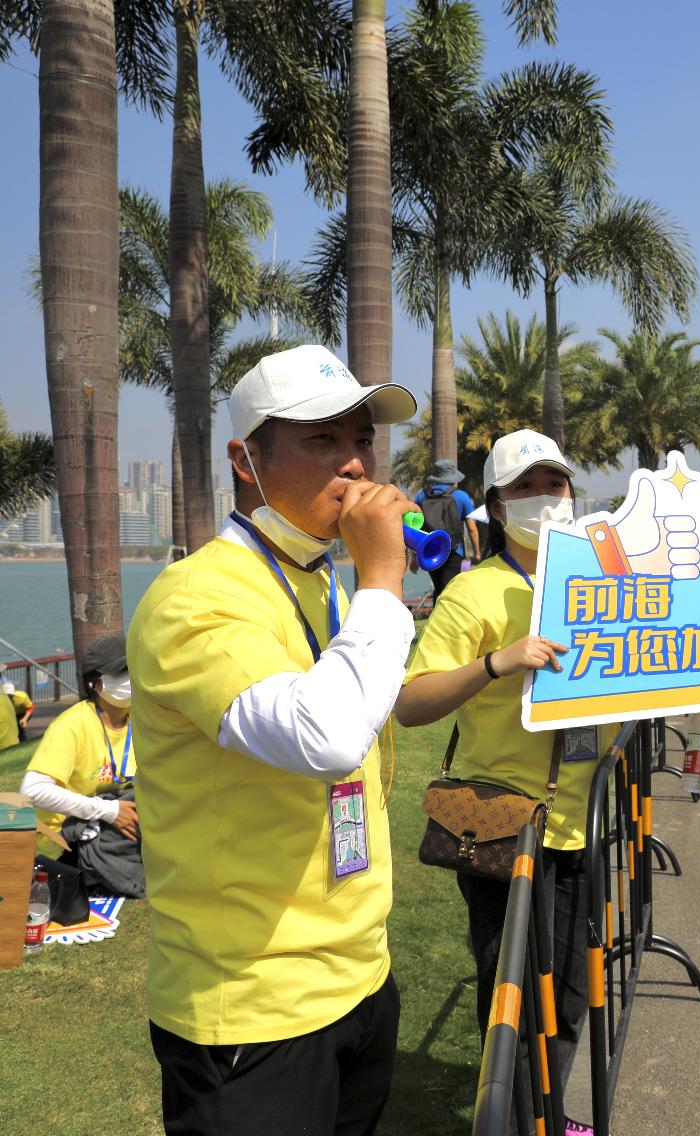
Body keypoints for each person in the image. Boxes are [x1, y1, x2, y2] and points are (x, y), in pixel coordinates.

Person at [128, 344, 418, 1134]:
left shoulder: (320, 577)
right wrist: (385, 582)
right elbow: (324, 739)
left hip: (360, 974)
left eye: (362, 439)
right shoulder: (196, 598)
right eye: (321, 441)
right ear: (246, 459)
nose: (355, 465)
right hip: (251, 1006)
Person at [397, 430, 602, 1122]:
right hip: (505, 828)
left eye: (556, 484)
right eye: (526, 488)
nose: (546, 499)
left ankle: (551, 1105)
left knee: (572, 987)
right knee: (510, 991)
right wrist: (496, 663)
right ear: (494, 503)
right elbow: (411, 701)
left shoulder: (608, 583)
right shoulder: (473, 594)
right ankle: (511, 1117)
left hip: (585, 820)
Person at [21, 635, 139, 863]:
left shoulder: (142, 718)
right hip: (63, 841)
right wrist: (108, 811)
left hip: (119, 826)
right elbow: (32, 790)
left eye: (134, 668)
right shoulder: (73, 724)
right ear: (95, 683)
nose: (130, 678)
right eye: (121, 672)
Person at [413, 458, 474, 597]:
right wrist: (477, 552)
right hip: (454, 550)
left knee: (439, 587)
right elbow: (471, 528)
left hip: (430, 550)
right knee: (449, 590)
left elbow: (415, 528)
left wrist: (414, 558)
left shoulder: (422, 496)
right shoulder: (461, 496)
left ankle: (436, 615)